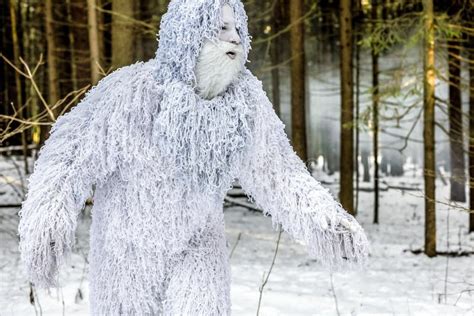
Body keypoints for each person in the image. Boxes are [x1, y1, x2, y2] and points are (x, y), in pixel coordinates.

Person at [18, 0, 370, 315]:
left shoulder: (244, 102)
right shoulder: (131, 92)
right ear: (188, 35)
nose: (234, 38)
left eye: (238, 30)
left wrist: (327, 223)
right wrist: (47, 225)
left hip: (198, 247)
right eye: (221, 29)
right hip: (125, 253)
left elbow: (278, 172)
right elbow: (67, 155)